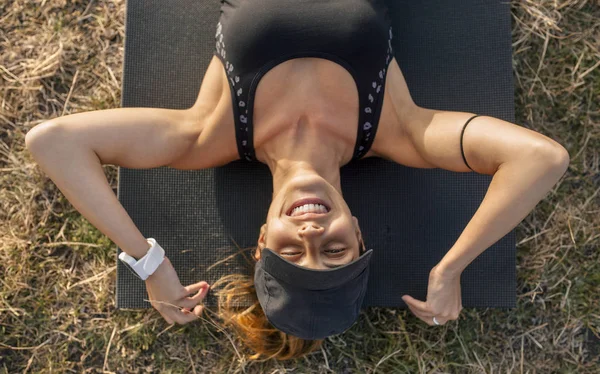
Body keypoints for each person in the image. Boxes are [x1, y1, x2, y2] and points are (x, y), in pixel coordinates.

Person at [24, 0, 570, 361]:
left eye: (293, 255)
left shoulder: (206, 135)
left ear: (262, 245)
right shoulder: (402, 131)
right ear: (357, 231)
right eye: (335, 250)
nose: (311, 237)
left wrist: (149, 262)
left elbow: (52, 141)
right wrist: (451, 268)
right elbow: (542, 159)